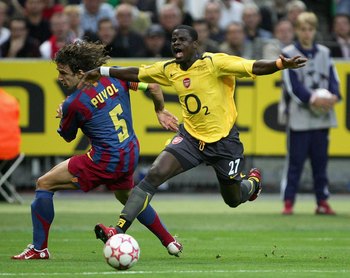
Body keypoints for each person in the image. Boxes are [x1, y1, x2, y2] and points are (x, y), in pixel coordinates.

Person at [78, 25, 307, 242]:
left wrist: (279, 64)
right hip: (190, 139)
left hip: (224, 143)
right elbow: (138, 73)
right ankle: (117, 230)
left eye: (182, 40)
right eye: (173, 40)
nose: (176, 43)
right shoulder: (170, 69)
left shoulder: (215, 63)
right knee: (154, 174)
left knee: (234, 199)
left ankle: (253, 183)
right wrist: (102, 71)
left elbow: (253, 66)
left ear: (195, 44)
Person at [11, 40, 182, 260]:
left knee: (44, 183)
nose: (59, 78)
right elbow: (153, 86)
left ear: (81, 73)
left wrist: (63, 113)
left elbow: (67, 136)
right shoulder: (115, 76)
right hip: (129, 152)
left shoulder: (74, 103)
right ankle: (170, 242)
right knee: (129, 197)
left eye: (63, 72)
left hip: (104, 160)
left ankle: (39, 249)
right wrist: (160, 110)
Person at [279, 12, 341, 215]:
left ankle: (322, 201)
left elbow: (334, 80)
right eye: (303, 29)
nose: (307, 33)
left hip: (321, 119)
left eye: (310, 29)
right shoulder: (288, 52)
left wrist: (333, 96)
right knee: (295, 163)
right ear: (297, 30)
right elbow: (292, 86)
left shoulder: (324, 52)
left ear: (315, 31)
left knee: (320, 163)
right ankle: (288, 202)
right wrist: (313, 98)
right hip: (299, 119)